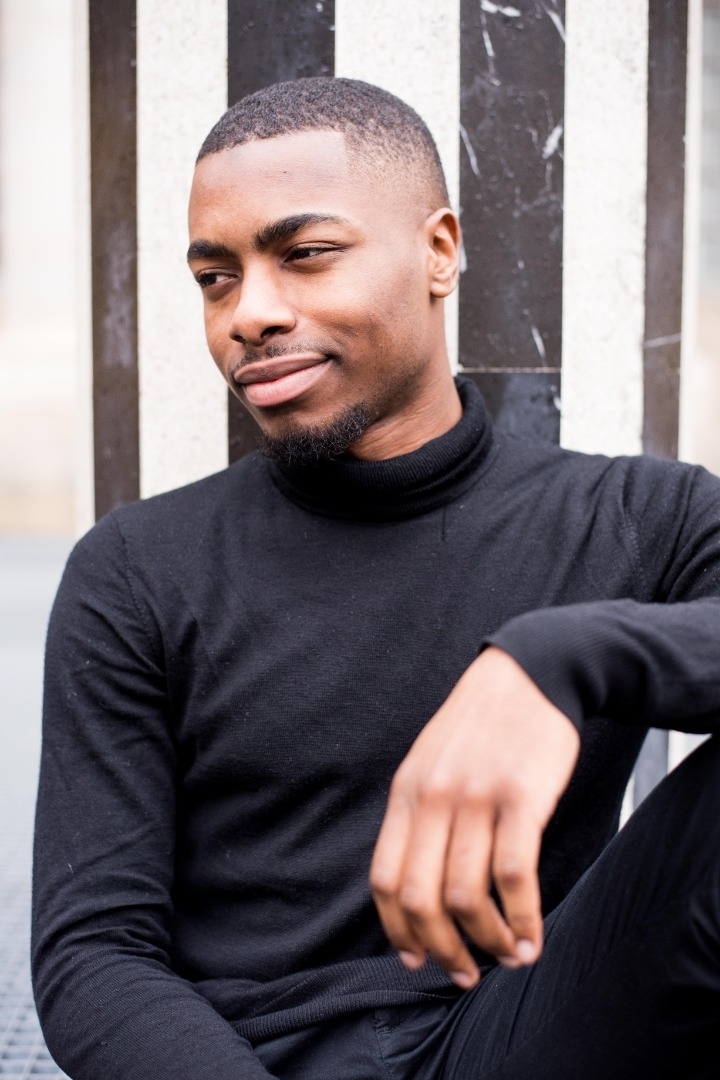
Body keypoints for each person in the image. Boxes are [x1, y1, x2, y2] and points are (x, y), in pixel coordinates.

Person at [32, 77, 720, 1080]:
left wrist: (561, 655)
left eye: (305, 254)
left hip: (525, 1035)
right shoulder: (135, 569)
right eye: (216, 278)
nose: (249, 314)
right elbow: (93, 955)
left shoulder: (637, 516)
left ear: (439, 252)